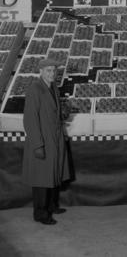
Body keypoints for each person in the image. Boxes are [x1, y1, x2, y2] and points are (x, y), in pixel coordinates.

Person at [22, 58, 71, 225]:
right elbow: (30, 119)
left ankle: (51, 205)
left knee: (54, 173)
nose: (52, 73)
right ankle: (40, 213)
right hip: (43, 139)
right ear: (41, 71)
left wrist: (62, 113)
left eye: (54, 70)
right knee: (42, 179)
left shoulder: (53, 88)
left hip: (55, 139)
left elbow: (52, 111)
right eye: (48, 70)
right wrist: (38, 144)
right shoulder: (35, 89)